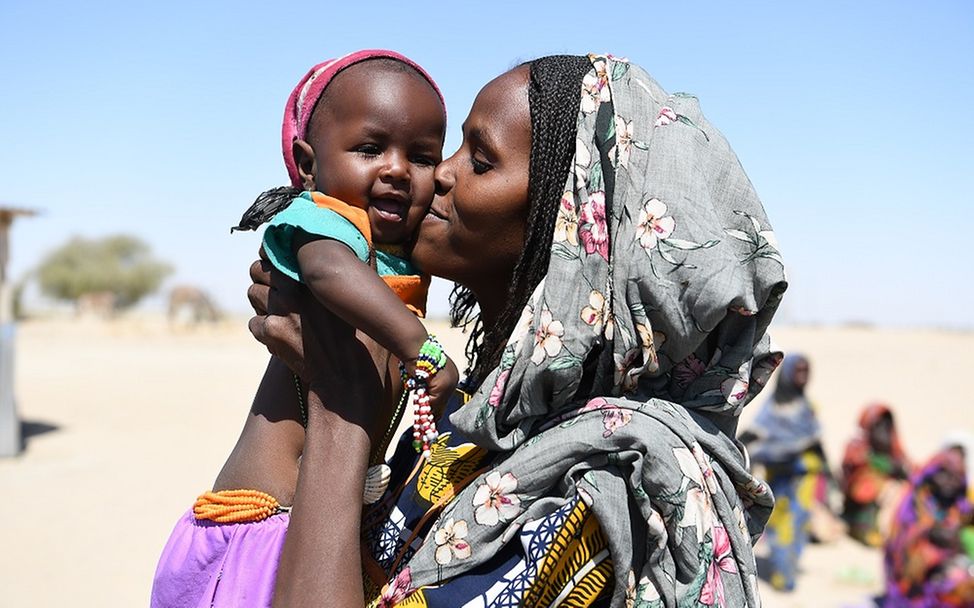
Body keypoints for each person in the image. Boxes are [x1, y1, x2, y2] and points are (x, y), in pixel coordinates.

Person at [249, 53, 788, 607]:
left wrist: (339, 413)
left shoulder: (596, 492)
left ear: (573, 229)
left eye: (479, 161)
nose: (439, 174)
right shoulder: (465, 417)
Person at [150, 49, 457, 608]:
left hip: (308, 525)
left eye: (421, 156)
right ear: (308, 163)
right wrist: (422, 347)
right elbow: (328, 271)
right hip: (253, 532)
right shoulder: (320, 220)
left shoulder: (394, 258)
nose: (395, 169)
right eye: (370, 148)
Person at [738, 353, 839, 591]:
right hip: (778, 477)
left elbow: (815, 442)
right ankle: (782, 573)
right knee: (779, 526)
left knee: (797, 527)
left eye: (807, 371)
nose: (803, 376)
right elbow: (754, 436)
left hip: (804, 479)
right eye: (798, 371)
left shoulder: (807, 407)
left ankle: (787, 576)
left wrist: (832, 478)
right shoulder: (773, 409)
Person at [883, 447, 974, 606]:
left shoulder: (961, 507)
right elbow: (901, 553)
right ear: (931, 474)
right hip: (914, 586)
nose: (950, 481)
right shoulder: (913, 506)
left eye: (956, 475)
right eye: (944, 474)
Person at [841, 403, 911, 547]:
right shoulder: (857, 452)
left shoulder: (896, 454)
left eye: (887, 428)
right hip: (860, 510)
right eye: (878, 427)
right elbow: (857, 490)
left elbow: (913, 473)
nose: (884, 434)